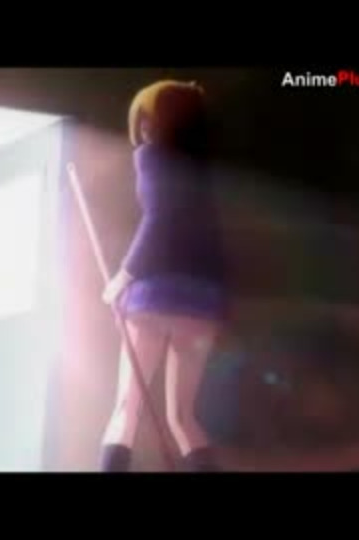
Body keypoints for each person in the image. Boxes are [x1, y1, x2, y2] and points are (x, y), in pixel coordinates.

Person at [99, 80, 228, 472]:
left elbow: (159, 219)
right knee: (183, 418)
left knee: (127, 409)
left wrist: (122, 278)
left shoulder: (153, 157)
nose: (141, 129)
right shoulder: (204, 170)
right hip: (203, 302)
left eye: (147, 121)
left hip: (157, 296)